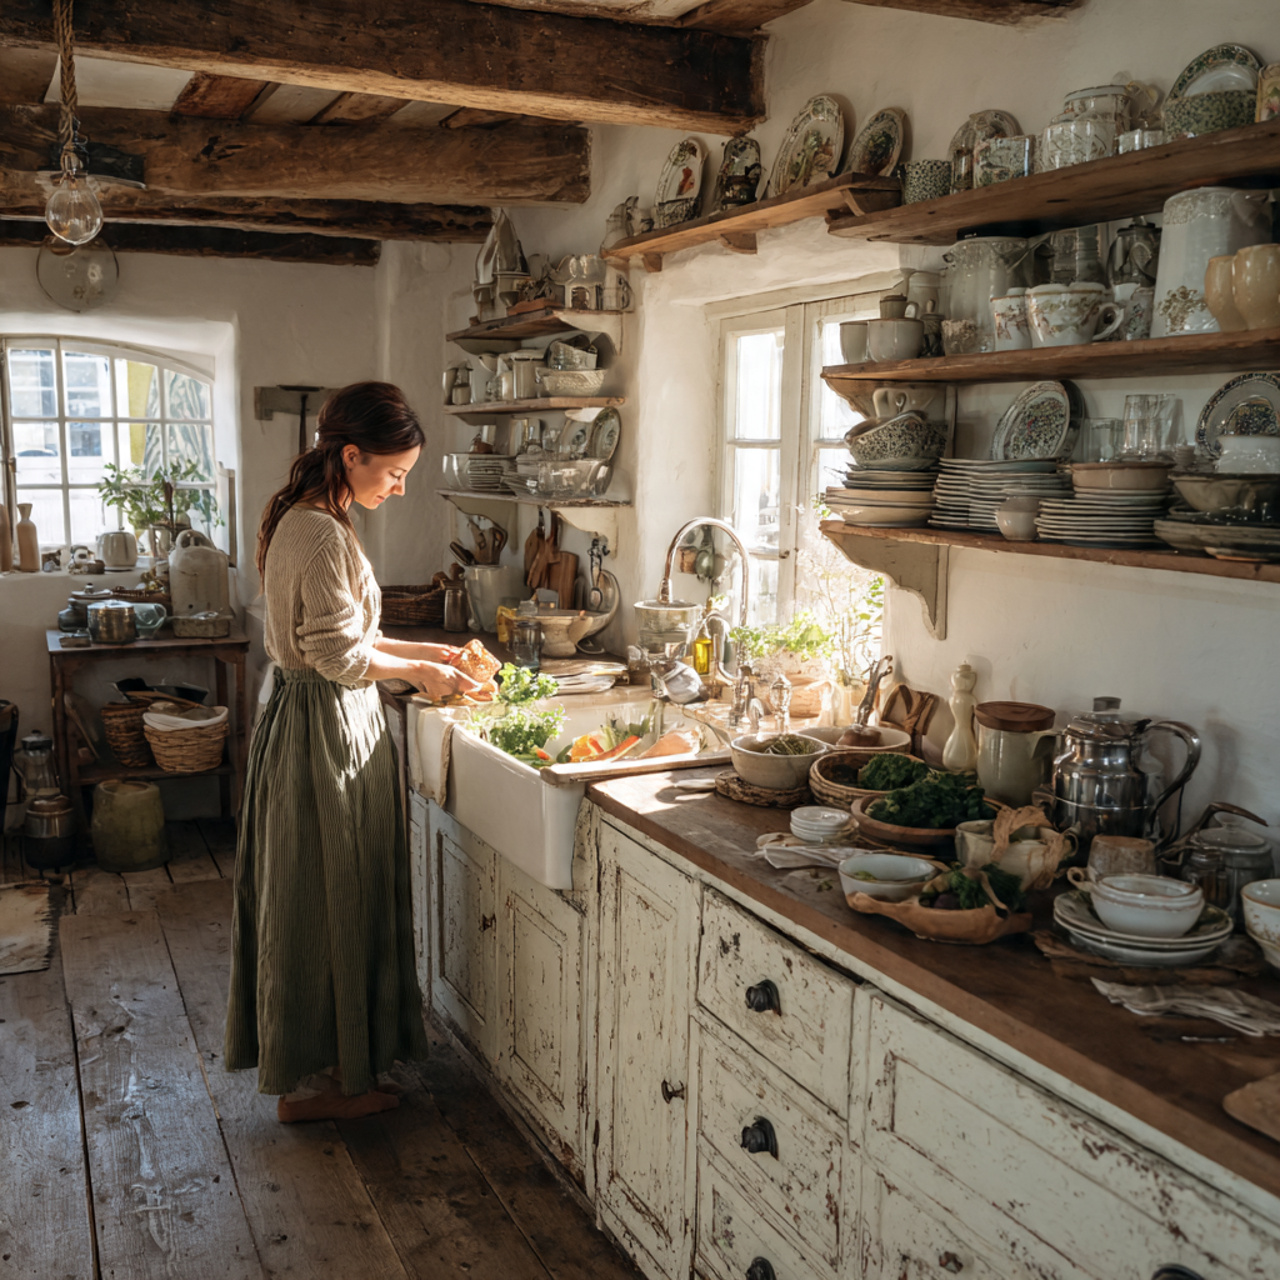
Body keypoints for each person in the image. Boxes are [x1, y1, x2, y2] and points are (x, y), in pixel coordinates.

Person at [224, 381, 486, 1122]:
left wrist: (433, 655)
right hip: (322, 730)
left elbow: (350, 640)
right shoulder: (317, 531)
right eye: (395, 473)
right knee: (329, 894)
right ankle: (325, 1089)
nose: (400, 489)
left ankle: (335, 1071)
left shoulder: (316, 519)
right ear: (350, 455)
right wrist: (425, 671)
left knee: (330, 890)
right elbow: (337, 656)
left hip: (324, 719)